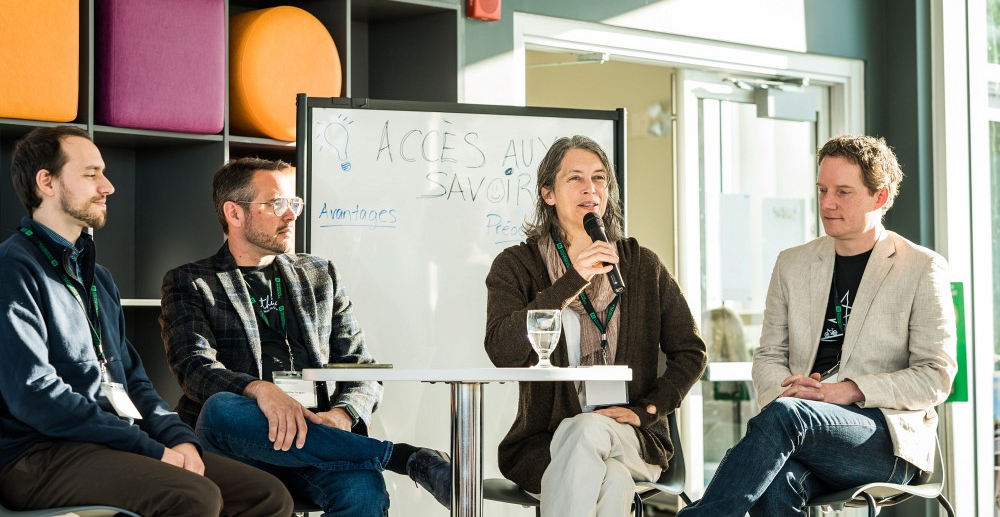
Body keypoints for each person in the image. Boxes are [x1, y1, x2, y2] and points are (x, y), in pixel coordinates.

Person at [0, 126, 293, 517]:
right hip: (36, 456)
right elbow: (34, 393)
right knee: (193, 496)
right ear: (46, 182)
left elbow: (133, 381)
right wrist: (150, 449)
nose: (108, 186)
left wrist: (178, 439)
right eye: (91, 174)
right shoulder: (13, 269)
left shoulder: (98, 277)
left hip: (109, 443)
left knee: (267, 495)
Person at [677, 134, 958, 516]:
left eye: (843, 192)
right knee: (777, 481)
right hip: (801, 427)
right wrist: (793, 391)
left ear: (879, 197)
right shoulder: (792, 264)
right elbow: (769, 357)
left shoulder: (921, 268)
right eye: (822, 189)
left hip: (884, 439)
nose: (827, 203)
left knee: (787, 416)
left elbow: (935, 376)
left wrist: (847, 390)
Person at [159, 157, 451, 516]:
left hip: (315, 439)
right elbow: (194, 368)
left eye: (293, 203)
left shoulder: (319, 274)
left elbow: (362, 368)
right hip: (241, 445)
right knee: (219, 409)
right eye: (275, 204)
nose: (291, 215)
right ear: (234, 213)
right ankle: (404, 458)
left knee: (363, 488)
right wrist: (261, 390)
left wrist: (343, 415)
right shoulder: (192, 282)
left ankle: (366, 451)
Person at [484, 135, 707, 517]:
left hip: (633, 437)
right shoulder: (516, 265)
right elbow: (502, 349)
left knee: (587, 430)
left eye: (600, 178)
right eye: (575, 179)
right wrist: (574, 280)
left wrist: (647, 410)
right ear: (548, 193)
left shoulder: (642, 265)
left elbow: (690, 351)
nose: (591, 188)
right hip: (543, 444)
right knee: (613, 479)